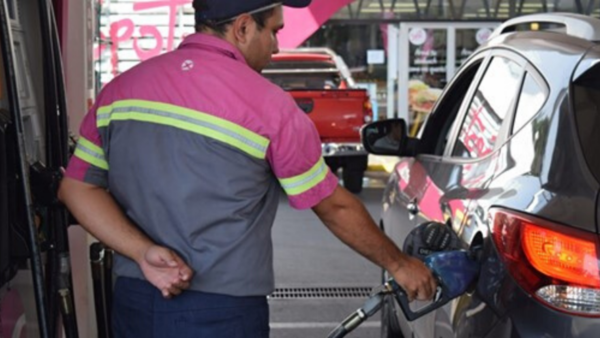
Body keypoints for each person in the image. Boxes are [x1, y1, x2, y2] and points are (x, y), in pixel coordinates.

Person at [58, 1, 437, 337]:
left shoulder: (121, 91)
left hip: (136, 299)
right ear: (241, 27)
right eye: (273, 31)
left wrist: (143, 253)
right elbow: (333, 206)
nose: (276, 46)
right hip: (223, 311)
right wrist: (400, 265)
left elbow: (76, 188)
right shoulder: (271, 108)